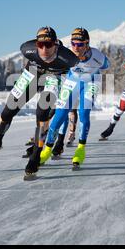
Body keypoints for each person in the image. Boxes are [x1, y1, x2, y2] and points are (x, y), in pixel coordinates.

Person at [0, 27, 79, 180]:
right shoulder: (27, 49)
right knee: (9, 109)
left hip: (55, 77)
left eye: (48, 45)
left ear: (56, 45)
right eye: (40, 45)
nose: (44, 49)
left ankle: (36, 154)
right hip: (33, 72)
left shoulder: (68, 58)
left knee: (42, 112)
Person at [39, 27, 110, 170]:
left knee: (84, 113)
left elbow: (106, 65)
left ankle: (80, 149)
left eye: (80, 44)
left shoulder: (97, 56)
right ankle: (47, 149)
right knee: (59, 114)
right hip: (72, 83)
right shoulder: (68, 54)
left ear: (87, 43)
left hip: (91, 83)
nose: (76, 47)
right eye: (73, 43)